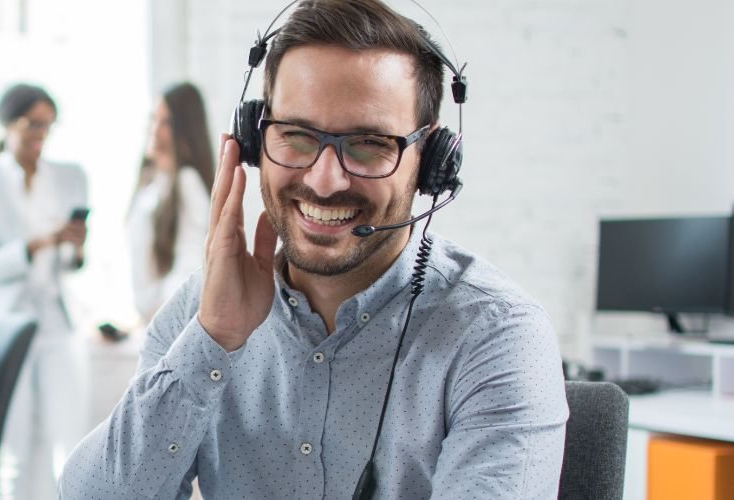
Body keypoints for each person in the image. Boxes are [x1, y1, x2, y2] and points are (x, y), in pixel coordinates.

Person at [60, 1, 567, 498]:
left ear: (431, 160)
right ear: (255, 141)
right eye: (297, 136)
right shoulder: (202, 314)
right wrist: (213, 340)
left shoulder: (496, 334)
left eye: (369, 143)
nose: (324, 181)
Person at [0, 83, 89, 499]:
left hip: (57, 322)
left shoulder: (69, 177)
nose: (40, 135)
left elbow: (73, 263)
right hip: (10, 322)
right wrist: (35, 243)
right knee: (15, 446)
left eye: (48, 126)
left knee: (70, 439)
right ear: (8, 123)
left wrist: (74, 245)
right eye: (33, 125)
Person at [129, 82, 215, 324]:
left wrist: (159, 321)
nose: (155, 130)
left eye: (165, 122)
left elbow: (190, 265)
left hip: (168, 323)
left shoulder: (187, 182)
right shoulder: (152, 182)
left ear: (183, 128)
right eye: (153, 119)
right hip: (150, 320)